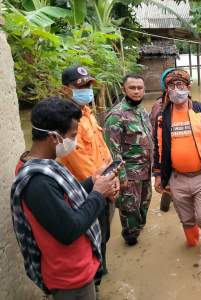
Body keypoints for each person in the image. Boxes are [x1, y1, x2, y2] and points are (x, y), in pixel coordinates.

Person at [11, 98, 119, 300]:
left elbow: (65, 197)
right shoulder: (38, 182)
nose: (75, 141)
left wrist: (92, 181)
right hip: (71, 278)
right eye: (72, 135)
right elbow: (69, 230)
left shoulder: (43, 164)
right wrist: (98, 194)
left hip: (78, 267)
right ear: (54, 137)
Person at [153, 69, 201, 247]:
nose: (176, 89)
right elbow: (157, 147)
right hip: (177, 178)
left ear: (188, 87)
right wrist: (158, 175)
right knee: (186, 218)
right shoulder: (163, 117)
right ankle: (192, 244)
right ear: (167, 90)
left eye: (180, 85)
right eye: (171, 86)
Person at [59, 66, 113, 275]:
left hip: (103, 185)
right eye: (80, 86)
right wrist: (103, 184)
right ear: (65, 90)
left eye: (89, 84)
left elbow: (102, 147)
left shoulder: (88, 113)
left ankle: (101, 271)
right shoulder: (66, 121)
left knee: (103, 236)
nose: (87, 90)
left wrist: (112, 175)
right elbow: (80, 162)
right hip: (87, 191)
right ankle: (94, 282)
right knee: (91, 240)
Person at [104, 74, 153, 246]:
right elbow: (113, 150)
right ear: (123, 89)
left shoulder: (143, 112)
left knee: (144, 206)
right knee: (129, 209)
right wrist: (121, 177)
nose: (137, 91)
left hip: (146, 171)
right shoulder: (116, 116)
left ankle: (137, 229)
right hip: (129, 175)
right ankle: (130, 238)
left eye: (140, 88)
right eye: (132, 88)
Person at [150, 67, 175, 212]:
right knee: (167, 184)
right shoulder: (159, 106)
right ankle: (165, 207)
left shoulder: (185, 103)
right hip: (164, 152)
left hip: (179, 152)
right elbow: (155, 133)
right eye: (171, 83)